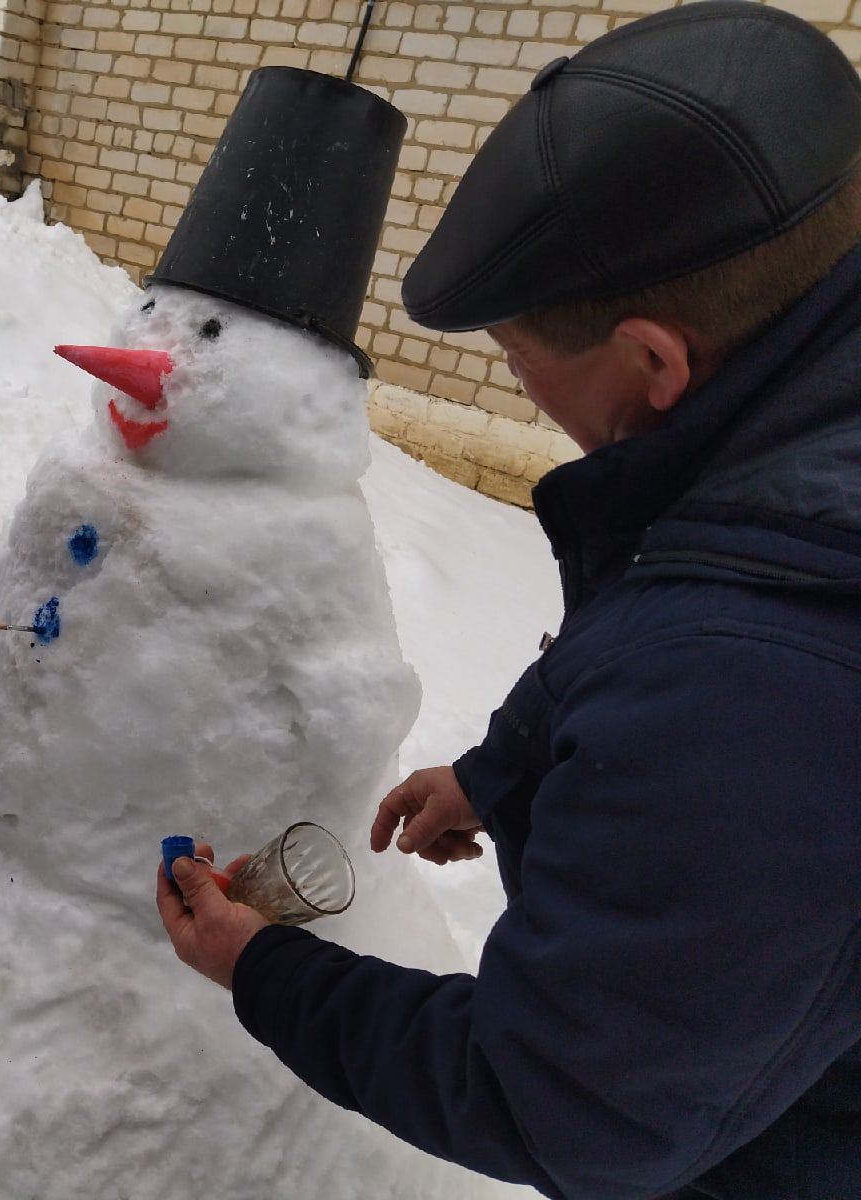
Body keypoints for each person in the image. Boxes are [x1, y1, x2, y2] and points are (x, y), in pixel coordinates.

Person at [157, 4, 861, 1197]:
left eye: (520, 364)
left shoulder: (756, 681)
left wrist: (263, 966)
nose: (523, 390)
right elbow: (680, 570)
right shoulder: (782, 452)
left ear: (653, 360)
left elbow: (556, 1102)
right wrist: (507, 764)